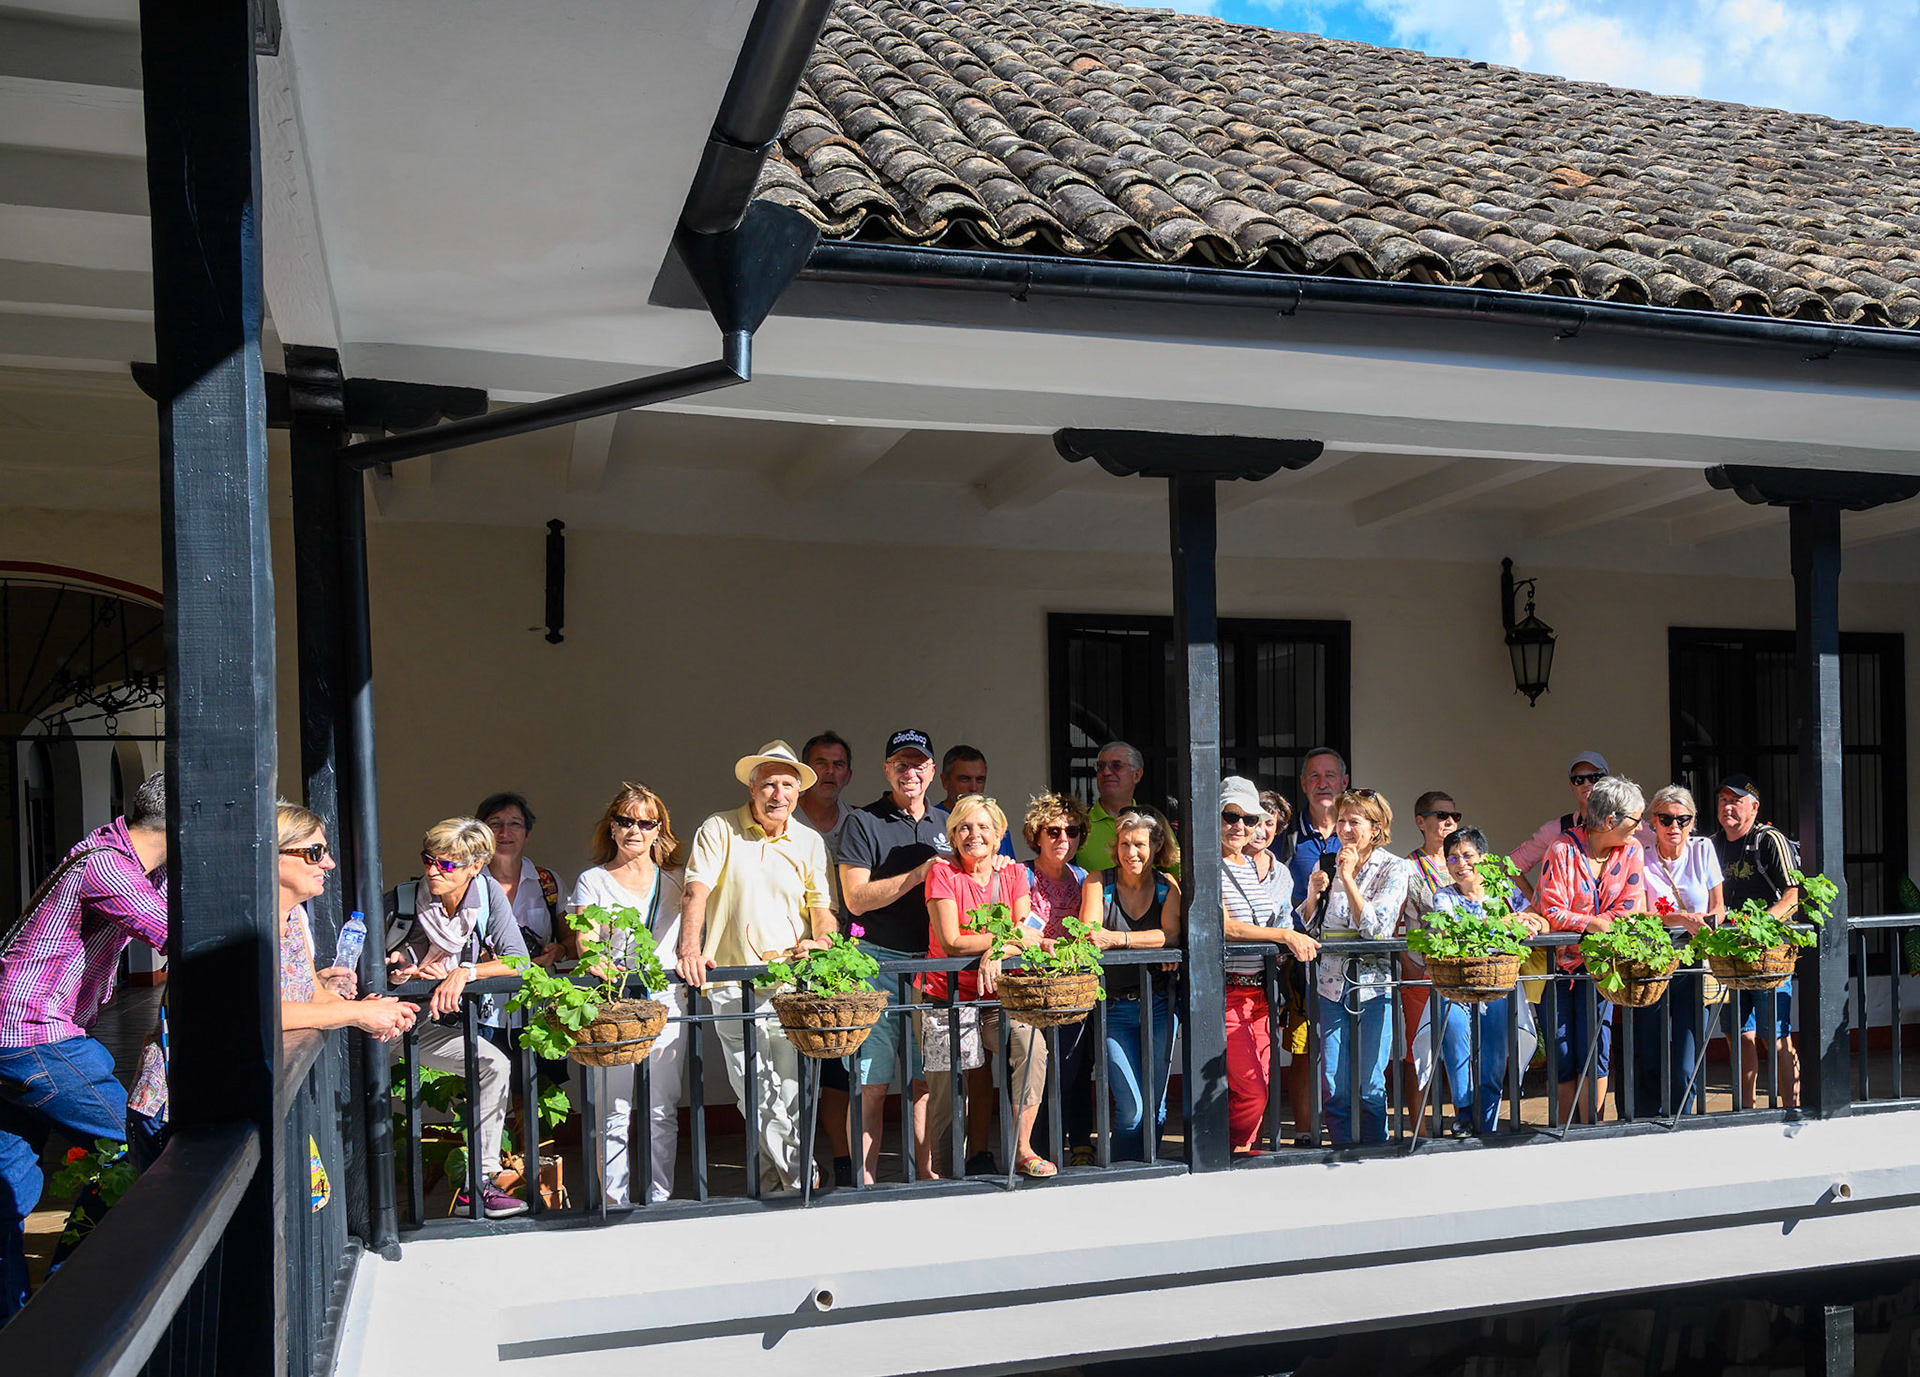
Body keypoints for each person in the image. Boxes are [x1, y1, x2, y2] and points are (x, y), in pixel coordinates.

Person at [0, 772, 169, 1323]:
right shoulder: (106, 866)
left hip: (14, 1039)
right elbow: (179, 934)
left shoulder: (122, 861)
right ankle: (68, 1300)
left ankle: (14, 1323)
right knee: (141, 1147)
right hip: (37, 1037)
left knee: (9, 1190)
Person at [676, 741, 835, 1196]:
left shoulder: (809, 841)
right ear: (752, 787)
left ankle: (777, 1188)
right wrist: (690, 948)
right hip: (732, 980)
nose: (778, 793)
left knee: (788, 1092)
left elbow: (822, 908)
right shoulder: (719, 828)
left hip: (790, 983)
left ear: (798, 793)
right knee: (754, 1087)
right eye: (769, 783)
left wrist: (821, 941)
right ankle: (801, 1172)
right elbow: (695, 892)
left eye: (788, 785)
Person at [387, 817, 530, 1218]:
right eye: (429, 860)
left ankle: (478, 1185)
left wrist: (464, 972)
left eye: (447, 865)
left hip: (427, 1024)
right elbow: (362, 967)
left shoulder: (486, 897)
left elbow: (518, 962)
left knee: (494, 1064)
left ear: (475, 866)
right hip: (379, 1022)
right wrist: (396, 973)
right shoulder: (399, 901)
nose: (433, 870)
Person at [836, 729, 951, 1182]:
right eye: (901, 764)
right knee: (870, 1084)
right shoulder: (864, 822)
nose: (911, 772)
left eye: (919, 764)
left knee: (929, 1083)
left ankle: (930, 1179)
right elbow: (855, 899)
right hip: (877, 965)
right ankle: (864, 1186)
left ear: (932, 772)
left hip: (934, 968)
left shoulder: (949, 822)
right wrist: (918, 873)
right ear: (886, 770)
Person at [570, 783, 687, 1206]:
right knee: (614, 1109)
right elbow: (585, 942)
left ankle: (660, 1197)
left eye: (645, 822)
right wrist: (597, 961)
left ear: (659, 830)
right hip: (614, 1004)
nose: (635, 829)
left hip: (667, 1002)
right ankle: (614, 1202)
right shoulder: (593, 881)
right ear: (612, 828)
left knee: (662, 1109)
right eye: (625, 821)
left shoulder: (678, 880)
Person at [922, 795, 1043, 1179]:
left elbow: (1030, 934)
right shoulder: (942, 873)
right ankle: (945, 1172)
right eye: (964, 827)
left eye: (983, 828)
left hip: (996, 998)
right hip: (946, 998)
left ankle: (1022, 1148)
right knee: (945, 1093)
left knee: (1030, 1045)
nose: (974, 834)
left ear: (998, 836)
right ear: (953, 835)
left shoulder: (1014, 874)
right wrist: (1002, 942)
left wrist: (1000, 950)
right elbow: (952, 940)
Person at [1411, 827, 1545, 1135]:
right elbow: (1452, 932)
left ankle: (1487, 1121)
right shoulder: (1444, 895)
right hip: (1456, 985)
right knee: (1455, 1038)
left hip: (1498, 982)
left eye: (1467, 855)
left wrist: (1533, 921)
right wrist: (1500, 922)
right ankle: (1464, 1109)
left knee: (1495, 1052)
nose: (1461, 864)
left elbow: (1537, 918)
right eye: (1453, 858)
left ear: (1482, 858)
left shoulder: (1503, 890)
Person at [1535, 775, 1648, 1125]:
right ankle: (1566, 1128)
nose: (1640, 827)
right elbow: (1551, 910)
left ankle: (1592, 1127)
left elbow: (1630, 908)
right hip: (1560, 969)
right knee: (1563, 1049)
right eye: (1635, 819)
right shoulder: (1562, 849)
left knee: (1597, 1048)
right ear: (1610, 820)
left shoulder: (1632, 851)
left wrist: (1589, 923)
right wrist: (1594, 924)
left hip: (1602, 967)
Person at [1301, 789, 1410, 1146]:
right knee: (1333, 1079)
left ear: (1376, 828)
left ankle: (1375, 1152)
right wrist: (1313, 896)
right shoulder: (1327, 861)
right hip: (1331, 983)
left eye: (1354, 821)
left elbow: (1377, 928)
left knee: (1370, 1081)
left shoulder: (1395, 867)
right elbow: (1310, 928)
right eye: (1342, 821)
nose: (1345, 829)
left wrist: (1347, 879)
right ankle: (1342, 1148)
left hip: (1374, 986)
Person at [1219, 776, 1316, 1155]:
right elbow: (1223, 926)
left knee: (1261, 1083)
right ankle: (1231, 1154)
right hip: (1227, 992)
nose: (1241, 826)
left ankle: (1244, 1155)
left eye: (1250, 819)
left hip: (1260, 992)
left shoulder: (1249, 865)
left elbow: (1273, 920)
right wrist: (1282, 937)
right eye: (1231, 816)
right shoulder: (1207, 865)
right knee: (1252, 1090)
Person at [276, 802, 416, 1040]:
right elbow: (257, 1013)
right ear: (273, 854)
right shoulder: (243, 922)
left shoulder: (295, 915)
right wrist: (355, 1013)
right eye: (315, 853)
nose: (329, 864)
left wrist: (367, 1012)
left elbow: (314, 994)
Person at [1015, 793, 1100, 1174]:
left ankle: (1080, 1141)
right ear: (1037, 834)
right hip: (1030, 990)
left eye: (1072, 830)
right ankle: (1041, 1148)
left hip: (1072, 987)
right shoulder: (1020, 874)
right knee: (1040, 1068)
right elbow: (1017, 928)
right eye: (1053, 830)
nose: (1063, 837)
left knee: (1076, 1065)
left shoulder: (1084, 879)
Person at [1093, 810, 1181, 1160]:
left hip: (1158, 1003)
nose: (1132, 852)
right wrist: (1149, 942)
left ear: (1156, 846)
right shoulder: (1099, 883)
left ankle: (1149, 1171)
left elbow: (1171, 933)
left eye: (1140, 844)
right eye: (1125, 844)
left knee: (1155, 1105)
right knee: (1131, 1108)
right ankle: (1123, 1174)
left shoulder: (1166, 886)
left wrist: (1118, 939)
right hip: (1113, 1006)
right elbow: (1090, 932)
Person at [1631, 786, 1724, 1117]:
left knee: (1686, 1061)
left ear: (1692, 821)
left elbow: (1719, 905)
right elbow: (1639, 912)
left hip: (1692, 962)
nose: (1674, 826)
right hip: (1653, 961)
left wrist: (1708, 923)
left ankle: (1682, 1124)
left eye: (1683, 819)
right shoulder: (1640, 855)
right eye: (1666, 819)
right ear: (1653, 821)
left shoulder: (1703, 850)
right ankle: (1644, 1125)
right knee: (1649, 1057)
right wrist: (1679, 918)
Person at [1711, 774, 1802, 1108]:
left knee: (1776, 1036)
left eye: (1735, 800)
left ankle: (1791, 1109)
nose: (1727, 807)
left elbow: (1792, 897)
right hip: (1731, 957)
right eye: (1722, 800)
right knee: (1739, 1035)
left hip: (1769, 955)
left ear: (1754, 805)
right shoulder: (1713, 844)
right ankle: (1745, 1110)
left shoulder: (1769, 840)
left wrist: (1759, 927)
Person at [797, 731, 857, 1187]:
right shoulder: (784, 821)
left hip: (846, 958)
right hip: (791, 957)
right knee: (792, 1067)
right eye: (820, 763)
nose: (829, 772)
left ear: (848, 774)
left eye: (837, 764)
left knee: (837, 1063)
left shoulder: (858, 824)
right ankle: (795, 1160)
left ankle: (841, 1156)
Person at [1398, 792, 1459, 1123]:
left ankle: (1463, 1119)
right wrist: (1408, 967)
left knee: (1460, 1049)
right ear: (1421, 822)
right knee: (1418, 1052)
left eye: (1454, 815)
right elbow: (1394, 923)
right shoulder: (1406, 868)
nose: (1449, 822)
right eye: (1440, 815)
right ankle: (1420, 1127)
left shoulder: (1464, 862)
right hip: (1422, 972)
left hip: (1460, 973)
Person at [476, 792, 565, 966]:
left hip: (538, 986)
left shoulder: (547, 882)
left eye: (515, 824)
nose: (504, 832)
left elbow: (571, 939)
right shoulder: (467, 882)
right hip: (481, 987)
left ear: (527, 834)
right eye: (495, 824)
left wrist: (559, 950)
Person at [1511, 752, 1609, 899]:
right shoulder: (1557, 829)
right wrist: (1534, 909)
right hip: (1568, 919)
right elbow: (1512, 867)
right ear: (1571, 786)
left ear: (1608, 781)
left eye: (1595, 777)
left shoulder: (1629, 824)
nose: (1587, 783)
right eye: (1578, 780)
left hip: (1618, 917)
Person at [1077, 741, 1181, 874]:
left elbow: (1178, 874)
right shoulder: (1078, 825)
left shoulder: (1154, 822)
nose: (1106, 772)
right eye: (1101, 766)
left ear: (1137, 775)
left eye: (1116, 766)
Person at [1285, 748, 1348, 897]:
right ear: (1303, 784)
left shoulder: (1357, 834)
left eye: (1330, 775)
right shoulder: (1285, 835)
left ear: (1344, 782)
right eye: (1314, 776)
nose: (1322, 784)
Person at [940, 746, 1014, 858]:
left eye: (979, 780)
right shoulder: (931, 820)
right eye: (965, 779)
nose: (973, 787)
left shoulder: (994, 823)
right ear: (945, 781)